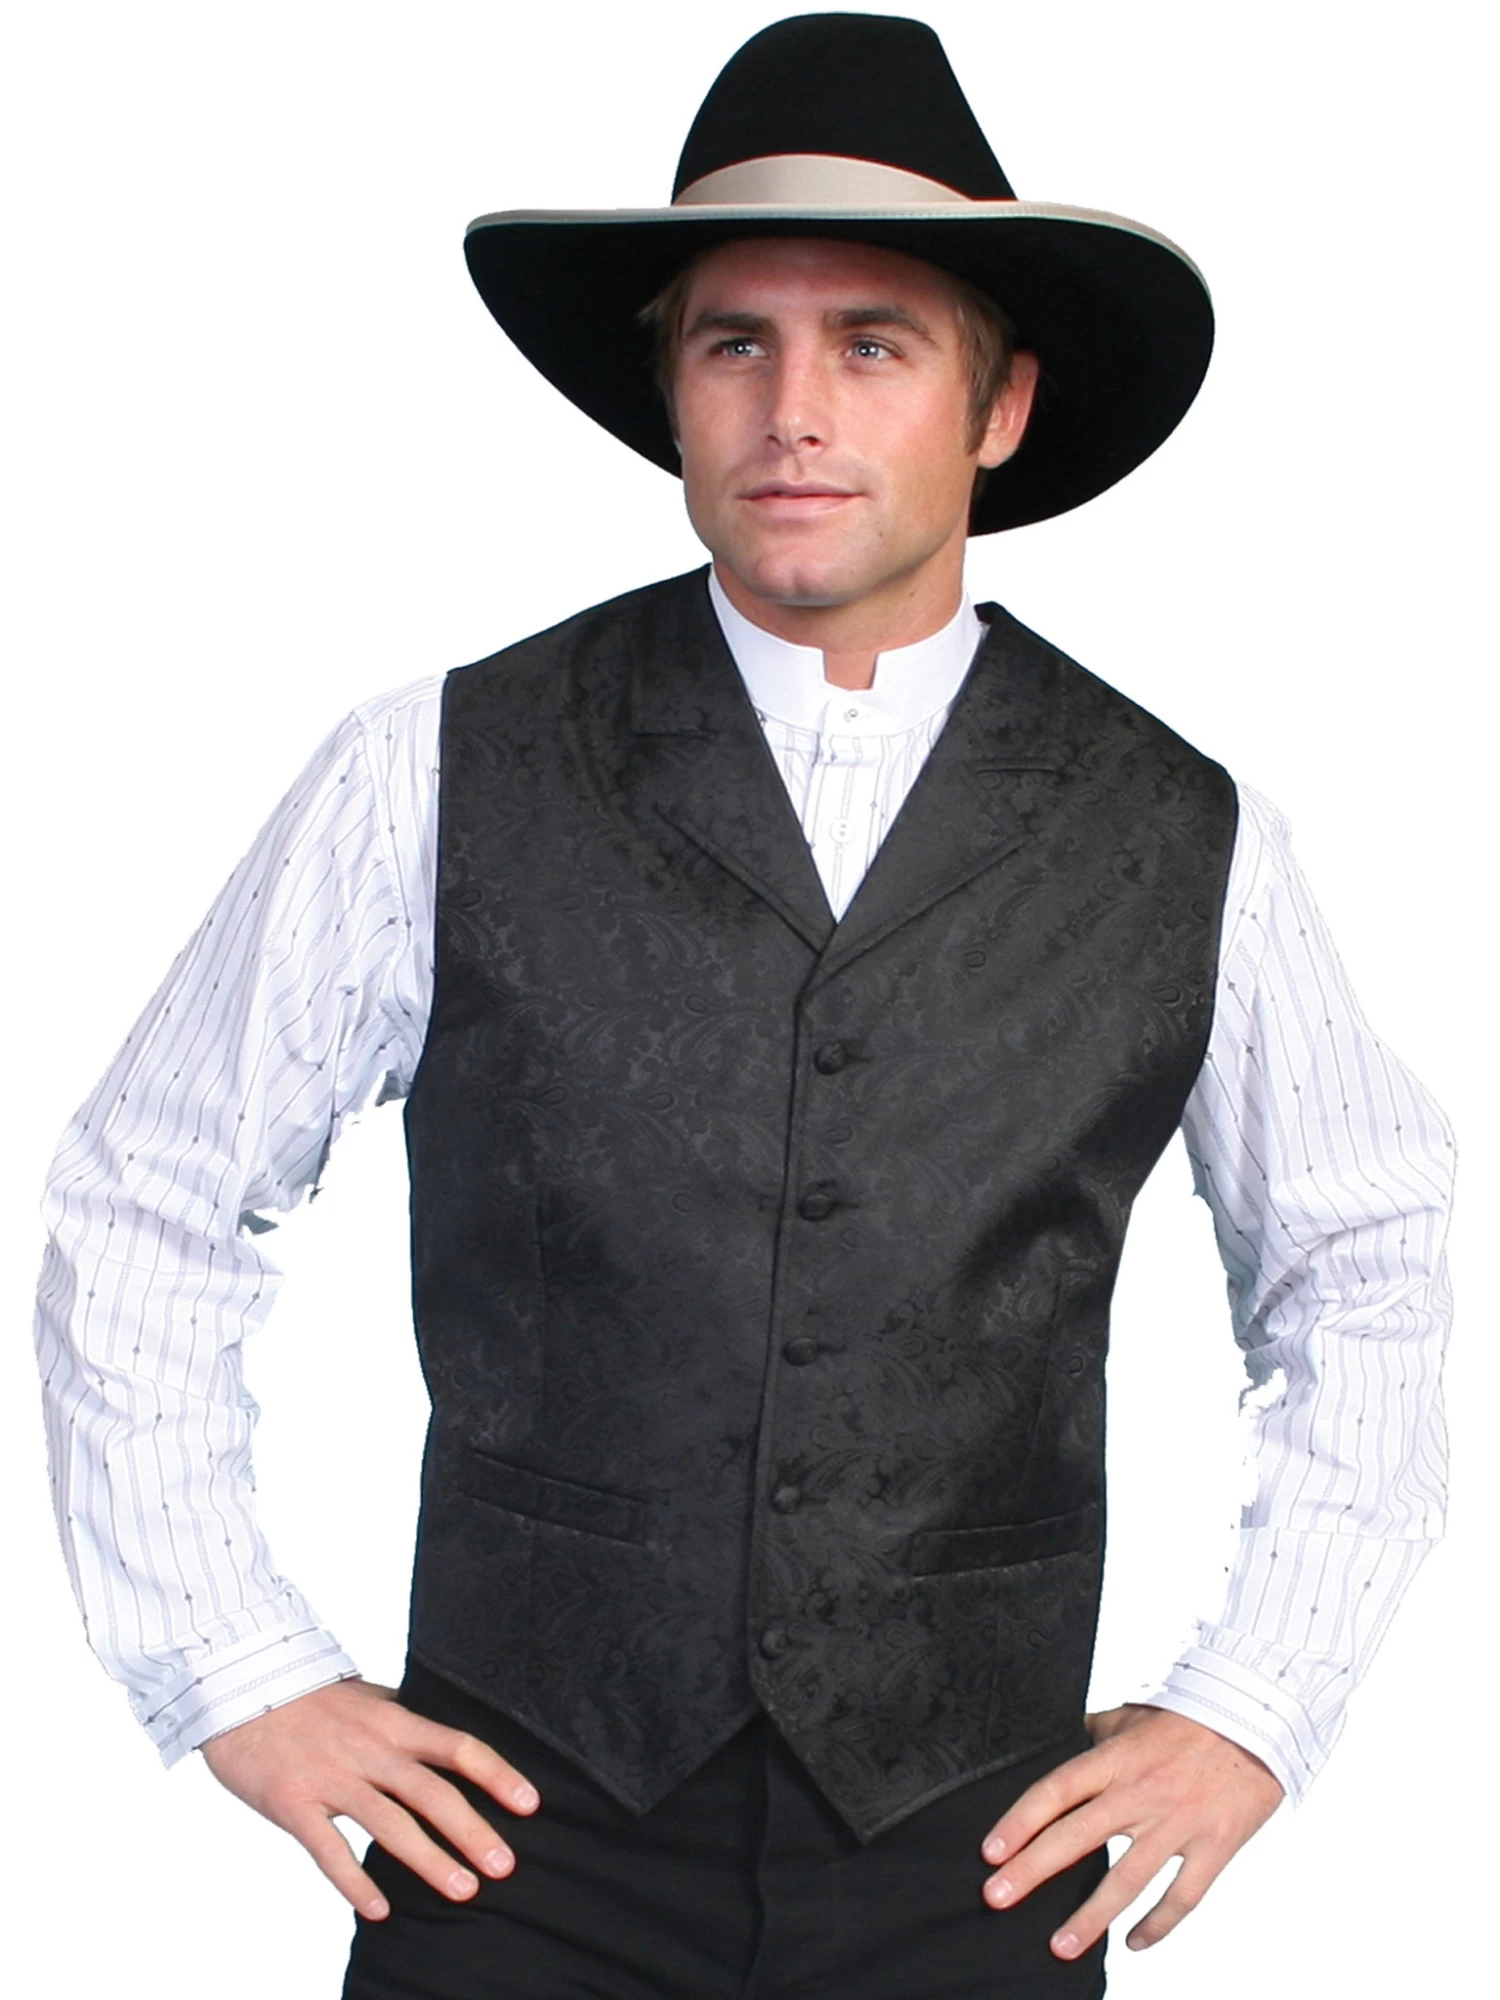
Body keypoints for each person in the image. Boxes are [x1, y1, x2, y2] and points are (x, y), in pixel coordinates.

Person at [33, 14, 1452, 1998]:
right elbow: (146, 1197)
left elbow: (1371, 1261)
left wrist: (1259, 1705)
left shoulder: (1187, 834)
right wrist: (233, 1669)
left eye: (873, 345)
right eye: (734, 344)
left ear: (1000, 406)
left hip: (974, 1865)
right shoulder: (430, 768)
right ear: (672, 393)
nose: (795, 411)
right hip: (514, 1851)